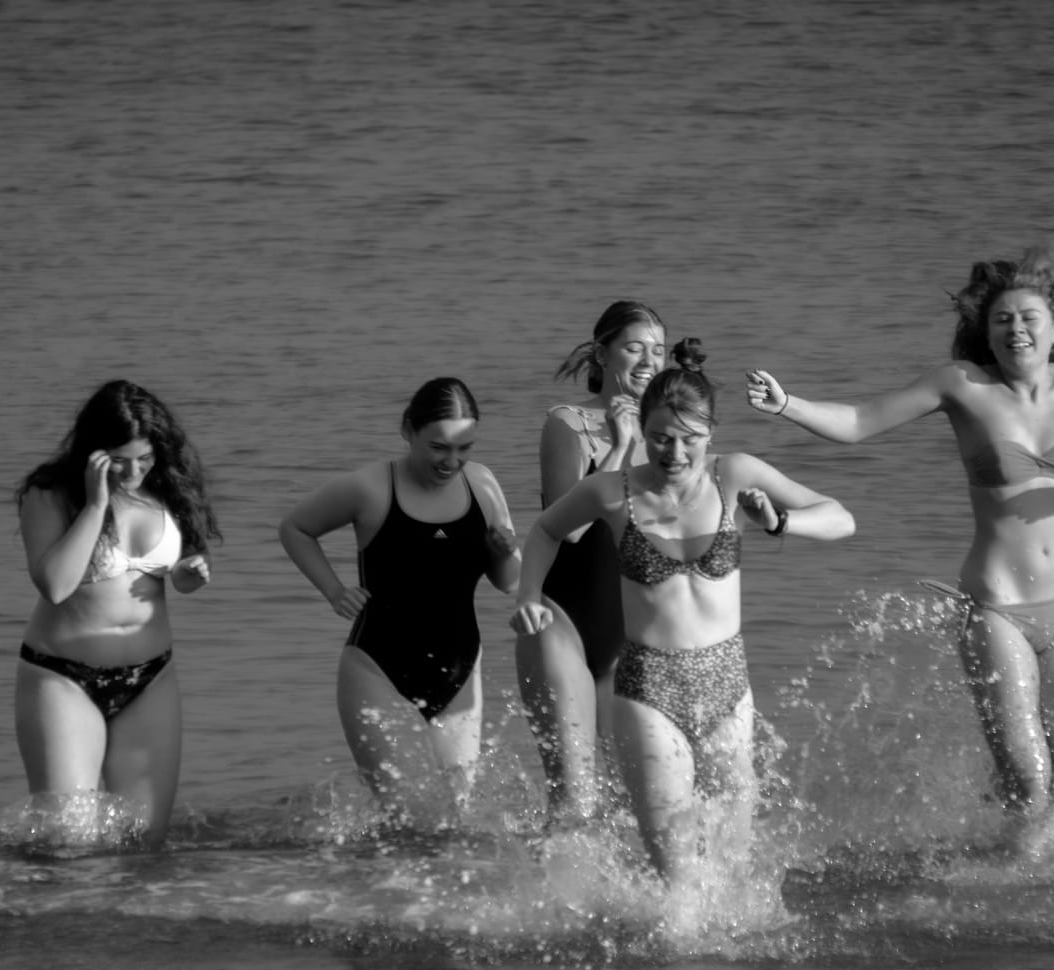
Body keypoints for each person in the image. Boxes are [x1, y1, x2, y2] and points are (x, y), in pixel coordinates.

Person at [745, 245, 1054, 856]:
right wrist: (788, 405)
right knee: (1032, 779)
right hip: (998, 610)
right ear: (985, 333)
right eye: (1002, 320)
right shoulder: (963, 387)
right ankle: (1011, 872)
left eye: (1028, 318)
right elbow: (862, 420)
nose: (1016, 328)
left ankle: (1013, 861)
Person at [512, 343, 854, 883]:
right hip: (649, 689)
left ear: (710, 435)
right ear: (643, 433)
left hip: (727, 686)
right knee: (677, 876)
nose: (674, 453)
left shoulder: (735, 475)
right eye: (661, 440)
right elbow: (548, 530)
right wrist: (528, 595)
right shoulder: (613, 490)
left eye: (689, 441)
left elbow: (840, 519)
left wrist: (780, 524)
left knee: (733, 871)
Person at [279, 378, 521, 822]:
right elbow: (295, 528)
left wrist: (505, 551)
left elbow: (508, 582)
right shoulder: (368, 488)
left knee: (453, 821)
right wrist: (334, 590)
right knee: (409, 819)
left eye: (464, 447)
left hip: (461, 671)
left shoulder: (482, 484)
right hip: (377, 668)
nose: (452, 460)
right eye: (439, 447)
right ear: (408, 430)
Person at [12, 379, 218, 848]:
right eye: (120, 459)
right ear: (93, 451)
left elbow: (175, 580)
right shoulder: (48, 495)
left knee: (146, 841)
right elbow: (55, 585)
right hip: (62, 678)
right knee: (69, 841)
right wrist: (96, 503)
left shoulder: (169, 491)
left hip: (151, 678)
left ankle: (125, 924)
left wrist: (190, 572)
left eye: (145, 459)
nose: (134, 471)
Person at [515, 300, 667, 824]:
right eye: (634, 348)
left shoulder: (670, 438)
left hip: (636, 639)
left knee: (633, 808)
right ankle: (538, 903)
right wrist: (620, 447)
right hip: (565, 624)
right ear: (603, 354)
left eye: (658, 351)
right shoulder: (567, 424)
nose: (648, 361)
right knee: (575, 802)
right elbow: (570, 527)